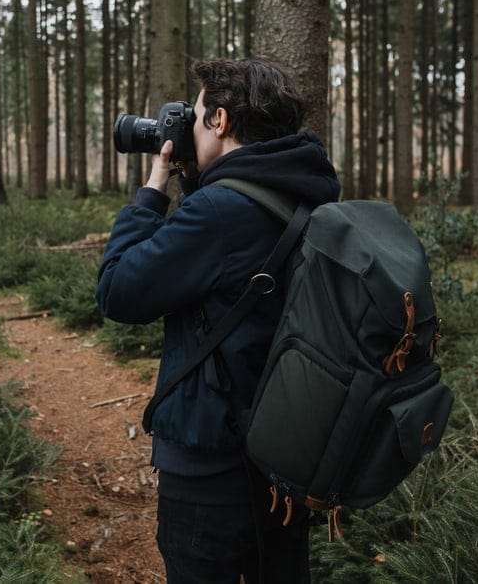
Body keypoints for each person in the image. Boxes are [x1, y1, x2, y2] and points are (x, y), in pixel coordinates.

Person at [95, 57, 341, 583]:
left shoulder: (220, 214)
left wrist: (153, 189)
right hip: (283, 457)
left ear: (221, 122)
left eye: (198, 112)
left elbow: (118, 292)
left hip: (212, 468)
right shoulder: (303, 194)